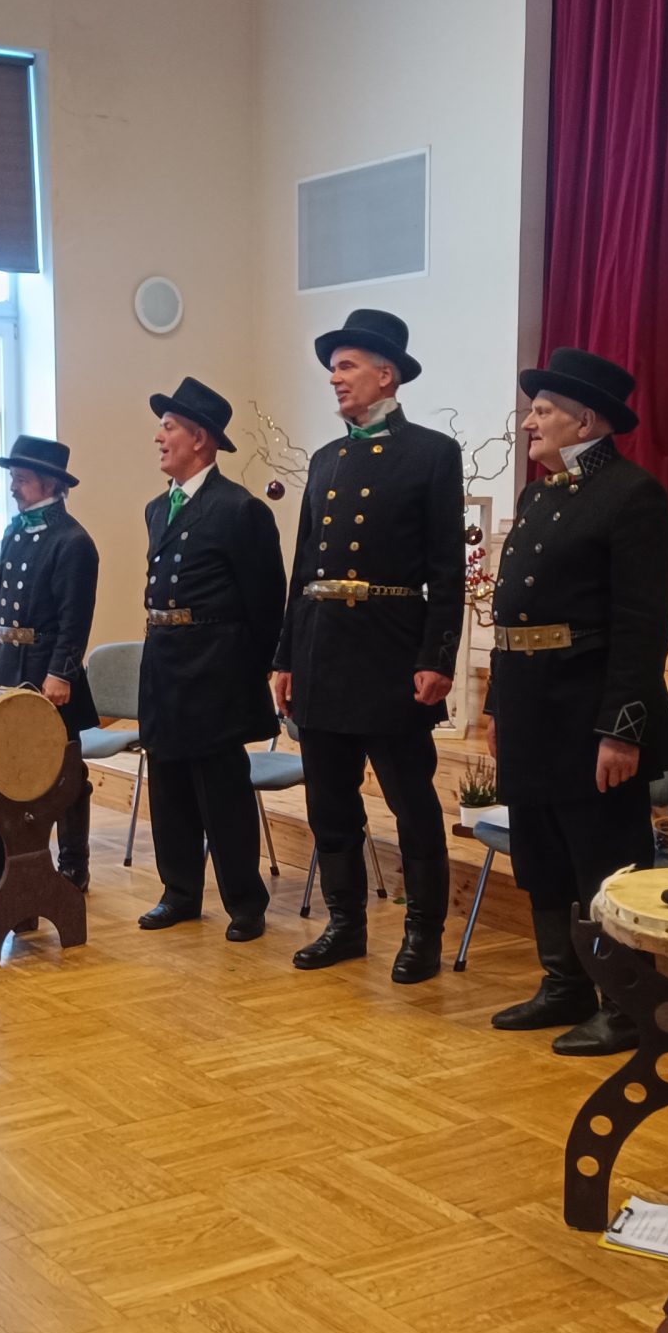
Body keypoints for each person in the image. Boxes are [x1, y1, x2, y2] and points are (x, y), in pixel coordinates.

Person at [484, 350, 668, 1051]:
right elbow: (512, 617)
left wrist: (622, 729)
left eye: (542, 410)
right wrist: (497, 706)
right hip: (532, 706)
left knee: (604, 859)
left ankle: (625, 1005)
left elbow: (641, 625)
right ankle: (563, 984)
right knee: (541, 854)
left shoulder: (632, 495)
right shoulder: (539, 496)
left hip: (588, 711)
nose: (528, 422)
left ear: (586, 420)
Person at [272, 308, 465, 983]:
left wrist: (437, 657)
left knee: (411, 804)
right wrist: (284, 658)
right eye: (333, 368)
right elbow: (303, 570)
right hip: (322, 652)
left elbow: (447, 570)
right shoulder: (326, 459)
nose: (335, 378)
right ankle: (345, 925)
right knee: (330, 804)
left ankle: (423, 933)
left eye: (347, 366)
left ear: (386, 375)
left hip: (391, 654)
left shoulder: (432, 453)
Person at [135, 377, 287, 941]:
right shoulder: (157, 508)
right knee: (168, 783)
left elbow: (266, 602)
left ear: (199, 438)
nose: (159, 438)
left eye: (168, 427)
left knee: (222, 791)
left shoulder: (239, 509)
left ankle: (245, 902)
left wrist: (253, 672)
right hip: (164, 661)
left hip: (215, 669)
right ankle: (179, 892)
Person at [0, 435, 99, 888]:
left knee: (64, 773)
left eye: (22, 479)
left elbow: (75, 618)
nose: (13, 487)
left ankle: (73, 864)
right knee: (10, 765)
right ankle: (21, 858)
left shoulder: (72, 541)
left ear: (49, 483)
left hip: (48, 671)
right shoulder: (14, 531)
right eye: (13, 478)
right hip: (11, 665)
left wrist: (61, 672)